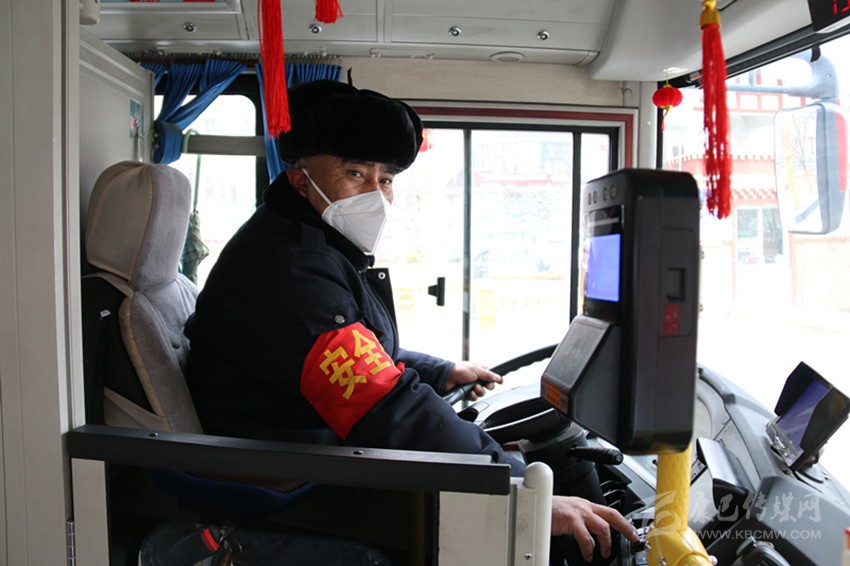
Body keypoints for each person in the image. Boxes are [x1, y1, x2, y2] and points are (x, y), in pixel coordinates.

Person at [185, 79, 638, 562]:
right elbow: (380, 404)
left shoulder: (308, 244)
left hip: (313, 446)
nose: (375, 194)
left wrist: (443, 372)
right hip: (295, 479)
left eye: (385, 179)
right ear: (301, 180)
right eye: (355, 173)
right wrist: (518, 489)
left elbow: (357, 353)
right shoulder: (290, 269)